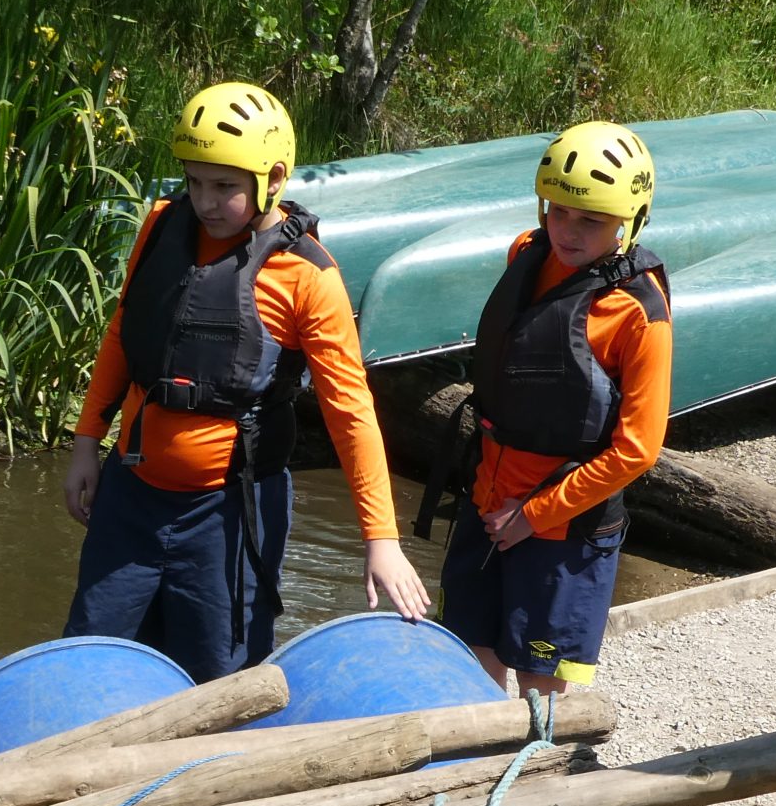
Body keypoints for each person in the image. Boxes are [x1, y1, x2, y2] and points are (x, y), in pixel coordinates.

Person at [61, 81, 431, 681]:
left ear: (274, 177)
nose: (205, 201)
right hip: (130, 498)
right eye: (194, 181)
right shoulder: (160, 228)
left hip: (230, 515)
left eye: (225, 187)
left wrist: (380, 537)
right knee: (88, 661)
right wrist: (86, 442)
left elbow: (350, 411)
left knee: (220, 679)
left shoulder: (308, 276)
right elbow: (122, 336)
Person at [419, 120, 671, 697]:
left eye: (591, 220)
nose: (567, 231)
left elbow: (638, 448)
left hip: (561, 530)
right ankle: (473, 775)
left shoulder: (638, 315)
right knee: (468, 657)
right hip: (487, 504)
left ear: (630, 222)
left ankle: (533, 775)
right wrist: (498, 505)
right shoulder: (524, 255)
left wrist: (532, 515)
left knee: (539, 684)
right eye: (556, 211)